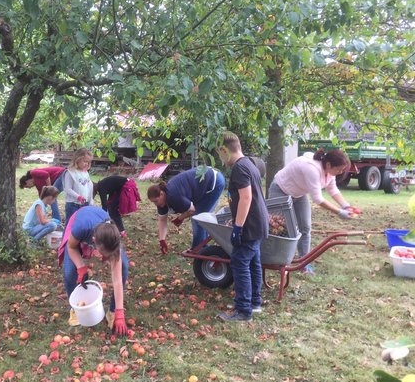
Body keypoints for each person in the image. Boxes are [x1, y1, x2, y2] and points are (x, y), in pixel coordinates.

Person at [268, 147, 359, 274]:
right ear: (329, 164)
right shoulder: (312, 169)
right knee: (282, 228)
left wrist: (345, 206)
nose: (341, 172)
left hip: (298, 194)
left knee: (305, 227)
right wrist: (339, 212)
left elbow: (333, 190)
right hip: (281, 190)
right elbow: (318, 199)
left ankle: (304, 264)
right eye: (339, 169)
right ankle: (277, 260)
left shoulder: (329, 172)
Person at [216, 132, 268, 321]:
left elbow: (246, 198)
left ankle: (243, 310)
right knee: (253, 262)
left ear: (225, 150)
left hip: (250, 225)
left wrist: (238, 227)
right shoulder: (249, 164)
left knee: (240, 262)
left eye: (219, 154)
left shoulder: (239, 168)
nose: (221, 159)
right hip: (257, 222)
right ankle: (254, 302)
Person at [57, 206, 129, 335]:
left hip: (100, 227)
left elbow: (117, 279)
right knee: (69, 272)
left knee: (123, 266)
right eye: (104, 255)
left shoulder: (113, 237)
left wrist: (120, 312)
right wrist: (81, 267)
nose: (105, 259)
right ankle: (76, 309)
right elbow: (71, 247)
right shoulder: (80, 228)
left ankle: (112, 311)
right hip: (80, 221)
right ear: (94, 242)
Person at [147, 166, 225, 253]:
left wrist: (180, 218)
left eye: (156, 201)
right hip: (204, 184)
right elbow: (162, 220)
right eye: (153, 202)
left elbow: (192, 210)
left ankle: (197, 250)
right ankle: (202, 248)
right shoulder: (161, 202)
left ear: (161, 194)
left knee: (198, 219)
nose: (156, 204)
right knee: (202, 218)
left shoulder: (173, 196)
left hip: (214, 181)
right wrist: (162, 240)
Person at [63, 148, 94, 228]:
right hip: (73, 205)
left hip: (84, 204)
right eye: (84, 161)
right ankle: (66, 237)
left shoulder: (85, 173)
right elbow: (67, 189)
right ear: (77, 159)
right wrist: (78, 196)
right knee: (70, 226)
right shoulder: (70, 172)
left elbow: (89, 187)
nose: (86, 164)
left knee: (82, 226)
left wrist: (90, 200)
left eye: (88, 162)